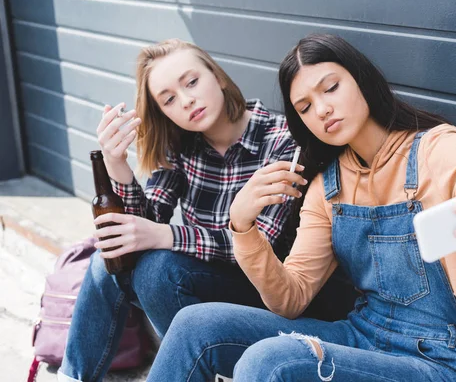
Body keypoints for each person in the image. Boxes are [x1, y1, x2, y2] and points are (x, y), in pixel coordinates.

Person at [145, 34, 456, 382]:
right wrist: (242, 225)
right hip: (360, 338)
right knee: (194, 325)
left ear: (361, 79)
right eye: (305, 107)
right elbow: (290, 299)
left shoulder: (436, 149)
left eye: (330, 88)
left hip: (439, 359)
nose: (323, 109)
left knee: (270, 361)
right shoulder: (325, 187)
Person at [58, 38, 320, 382]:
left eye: (192, 82)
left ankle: (197, 367)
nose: (186, 101)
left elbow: (263, 242)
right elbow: (145, 226)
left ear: (218, 77)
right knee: (107, 259)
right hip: (198, 284)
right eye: (169, 99)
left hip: (262, 294)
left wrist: (165, 235)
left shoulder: (281, 138)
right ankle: (72, 377)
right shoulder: (181, 145)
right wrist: (116, 163)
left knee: (157, 269)